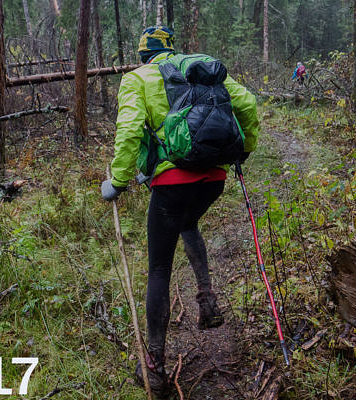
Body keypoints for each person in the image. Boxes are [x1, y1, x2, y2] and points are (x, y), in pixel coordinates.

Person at [100, 26, 259, 395]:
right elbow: (247, 104)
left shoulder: (137, 79)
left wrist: (119, 182)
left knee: (158, 268)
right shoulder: (199, 68)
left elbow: (128, 132)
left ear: (143, 56)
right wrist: (245, 149)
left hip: (173, 185)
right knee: (189, 223)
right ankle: (207, 300)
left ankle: (154, 366)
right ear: (172, 51)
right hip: (213, 179)